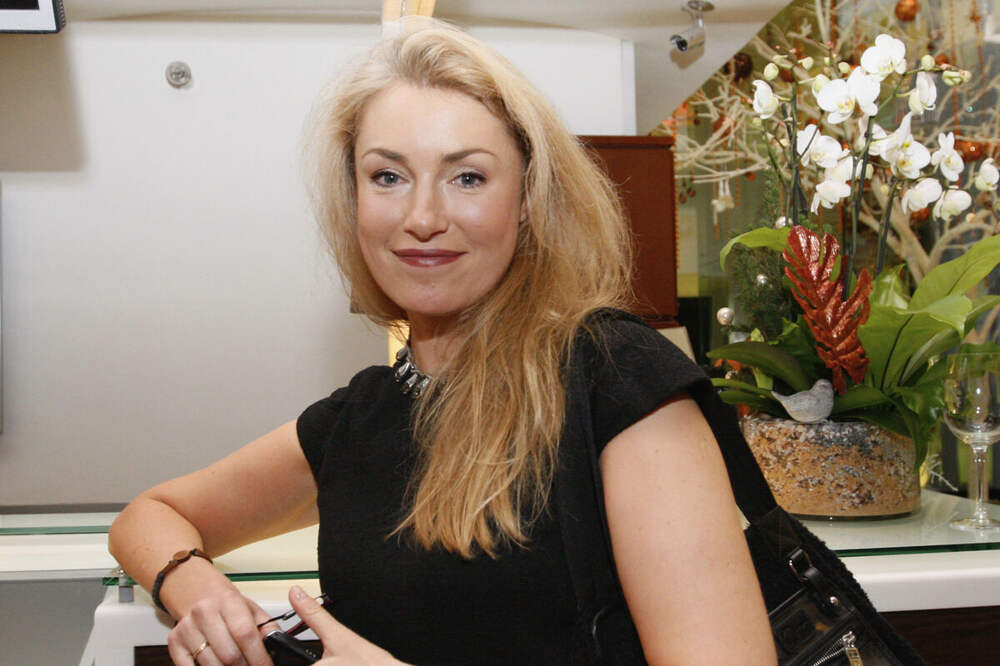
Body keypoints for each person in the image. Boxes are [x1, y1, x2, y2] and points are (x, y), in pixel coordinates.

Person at [108, 20, 776, 666]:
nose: (422, 217)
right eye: (388, 177)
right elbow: (150, 515)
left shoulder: (617, 384)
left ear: (527, 200)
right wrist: (197, 590)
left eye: (468, 177)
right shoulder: (360, 418)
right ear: (354, 198)